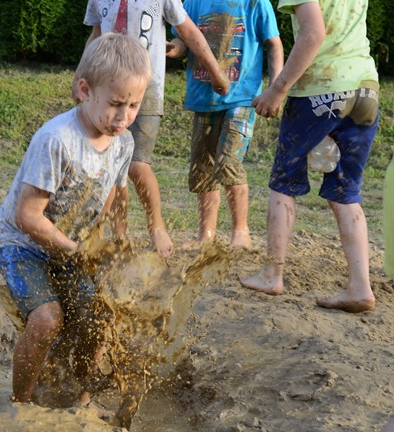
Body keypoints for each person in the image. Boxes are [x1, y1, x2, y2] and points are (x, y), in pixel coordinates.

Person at [0, 32, 151, 408]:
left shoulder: (123, 142)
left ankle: (80, 399)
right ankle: (20, 404)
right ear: (84, 90)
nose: (124, 117)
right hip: (21, 242)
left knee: (96, 317)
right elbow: (27, 216)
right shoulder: (57, 139)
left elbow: (109, 194)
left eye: (134, 105)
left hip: (68, 246)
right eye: (115, 104)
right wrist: (77, 250)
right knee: (48, 320)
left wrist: (107, 244)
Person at [240, 0, 379, 313]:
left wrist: (278, 89)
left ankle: (271, 273)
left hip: (320, 90)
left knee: (283, 181)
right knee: (347, 191)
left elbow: (313, 34)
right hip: (366, 89)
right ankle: (360, 287)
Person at [76, 0, 230, 258]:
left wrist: (215, 70)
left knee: (137, 165)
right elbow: (96, 36)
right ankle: (117, 235)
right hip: (107, 93)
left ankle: (156, 226)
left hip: (145, 93)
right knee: (112, 168)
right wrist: (78, 77)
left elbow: (189, 30)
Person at [166, 0, 283, 249]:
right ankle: (205, 235)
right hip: (203, 98)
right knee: (203, 167)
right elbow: (183, 40)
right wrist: (172, 49)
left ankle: (241, 231)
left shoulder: (255, 3)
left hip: (242, 97)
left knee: (229, 162)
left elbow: (274, 45)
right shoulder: (193, 3)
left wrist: (276, 89)